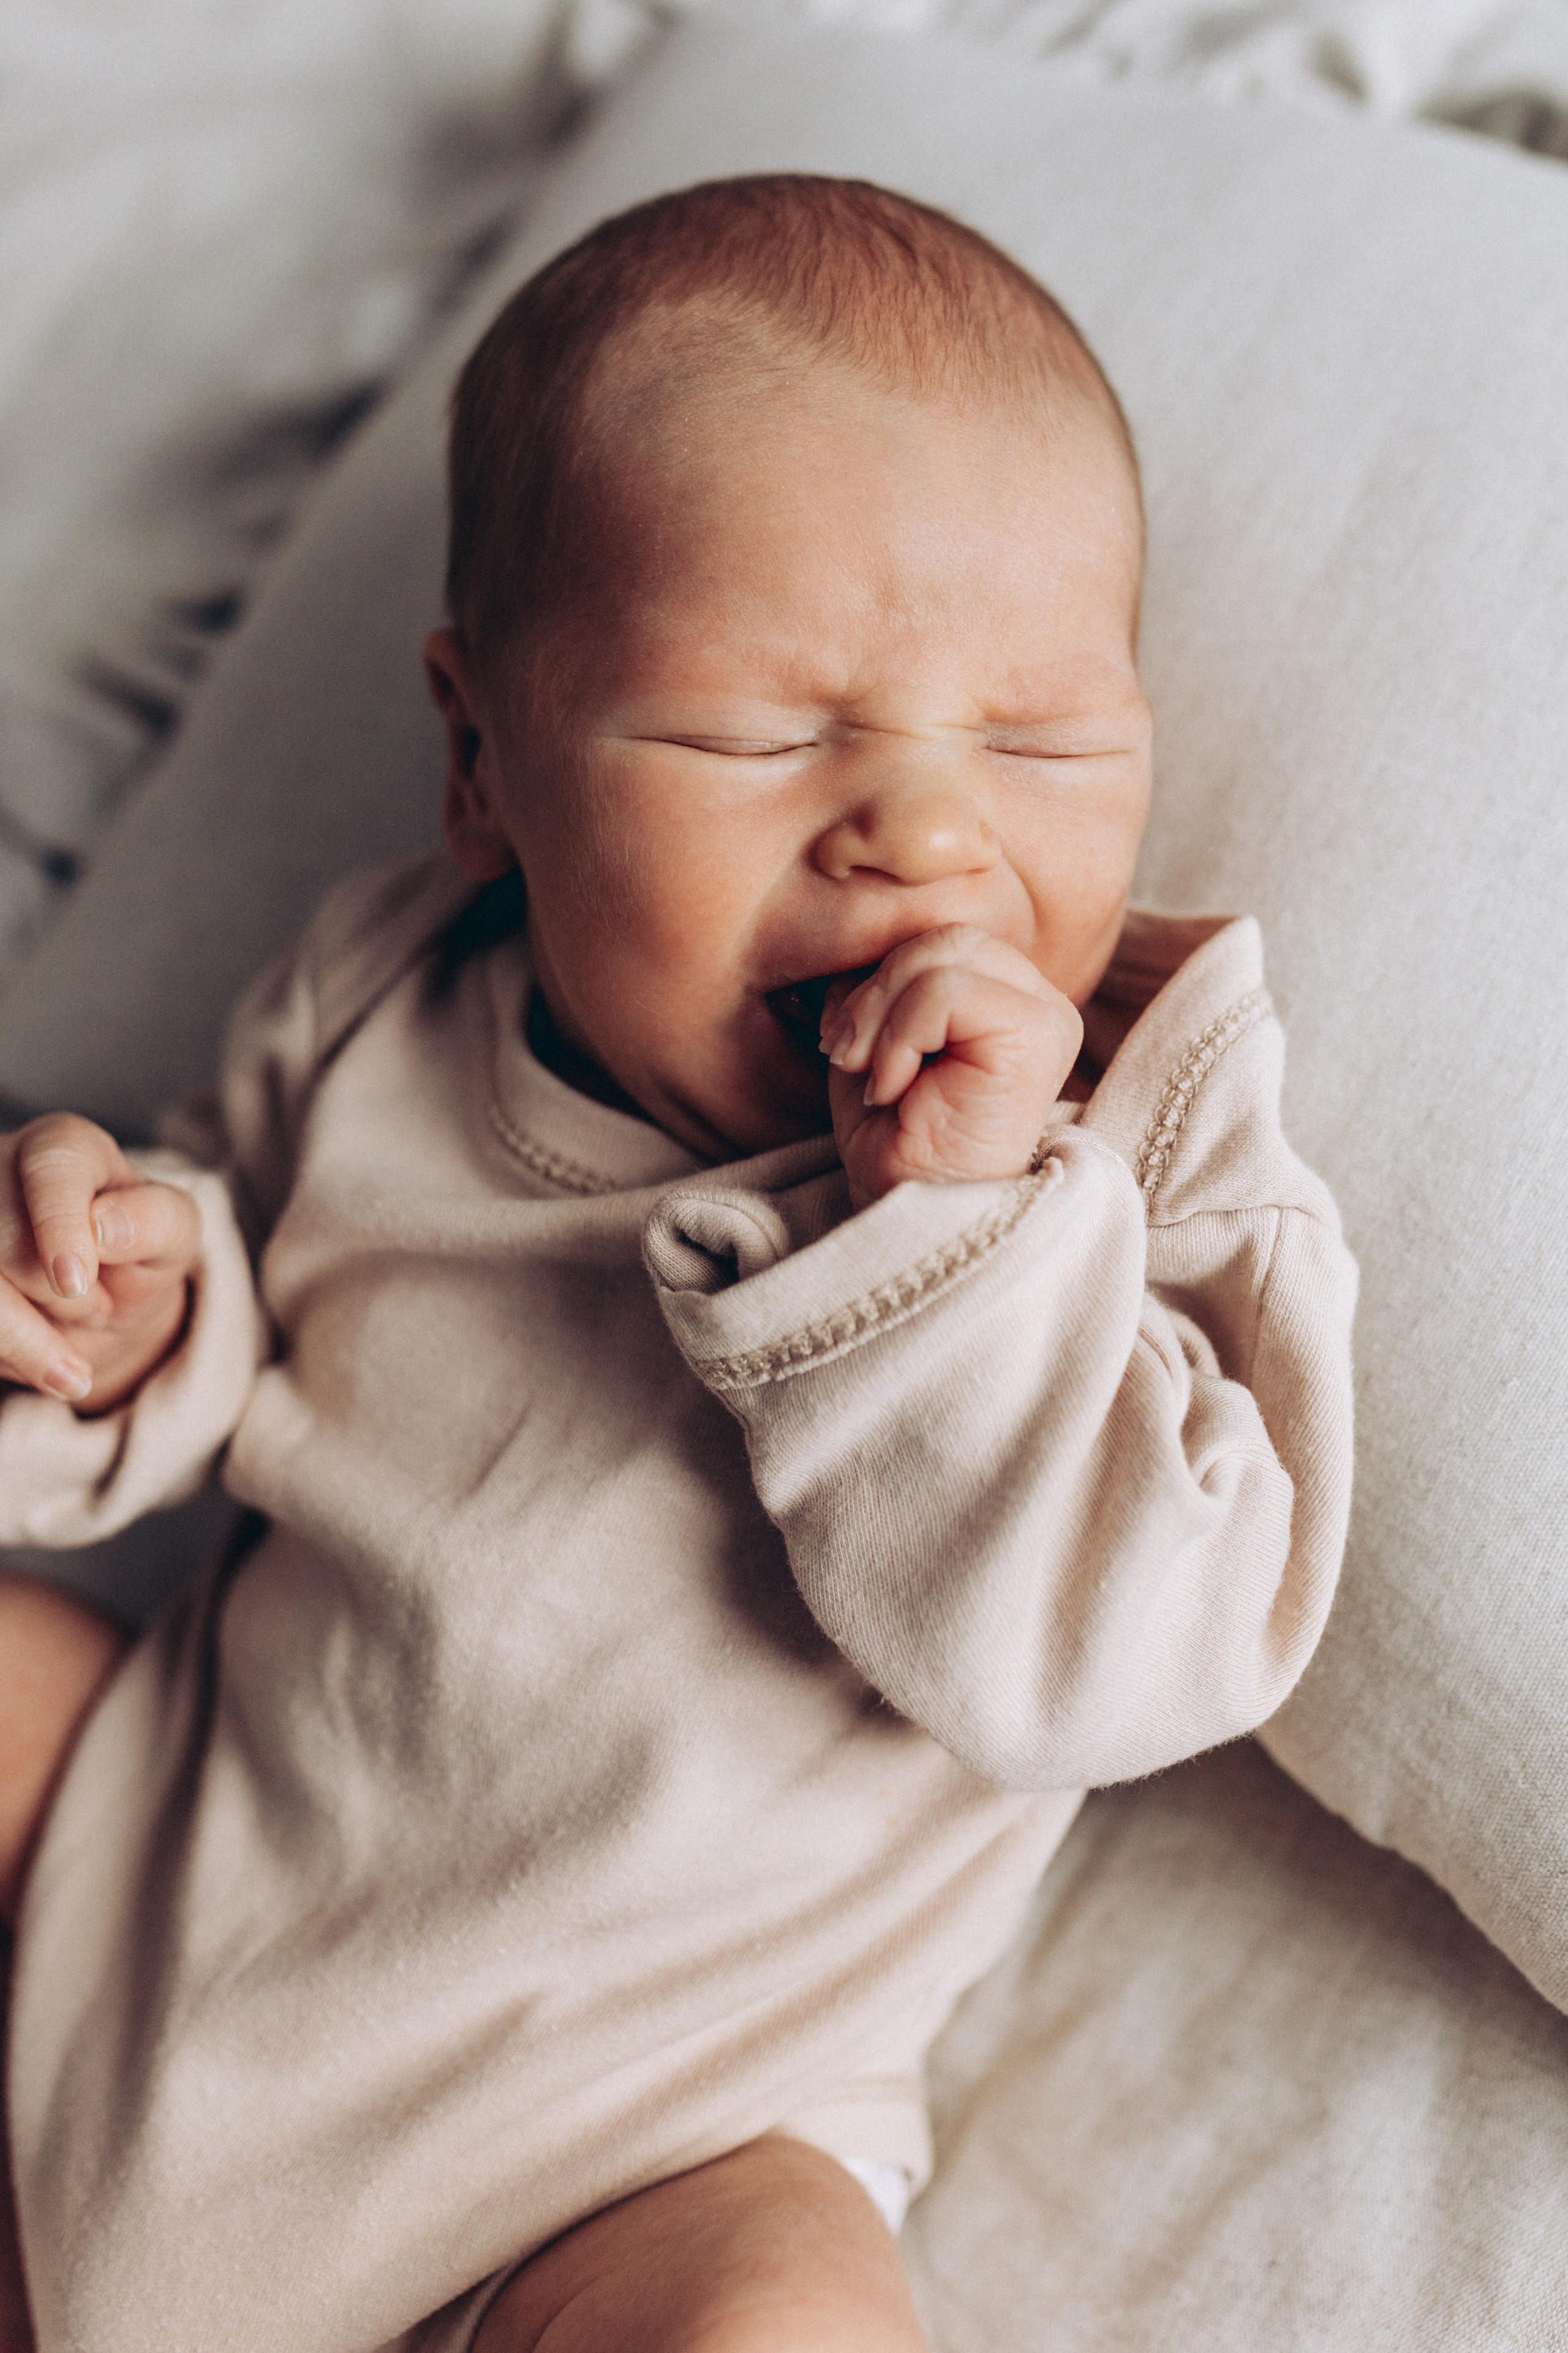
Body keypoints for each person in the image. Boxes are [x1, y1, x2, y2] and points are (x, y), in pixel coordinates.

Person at [0, 177, 1355, 2353]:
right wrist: (123, 1308)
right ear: (480, 759)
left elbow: (1134, 1663)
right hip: (153, 1899)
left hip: (625, 2156)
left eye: (1035, 743)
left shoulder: (1138, 1148)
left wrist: (962, 1229)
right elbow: (244, 1284)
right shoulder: (387, 997)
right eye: (755, 734)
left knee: (781, 2318)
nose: (922, 832)